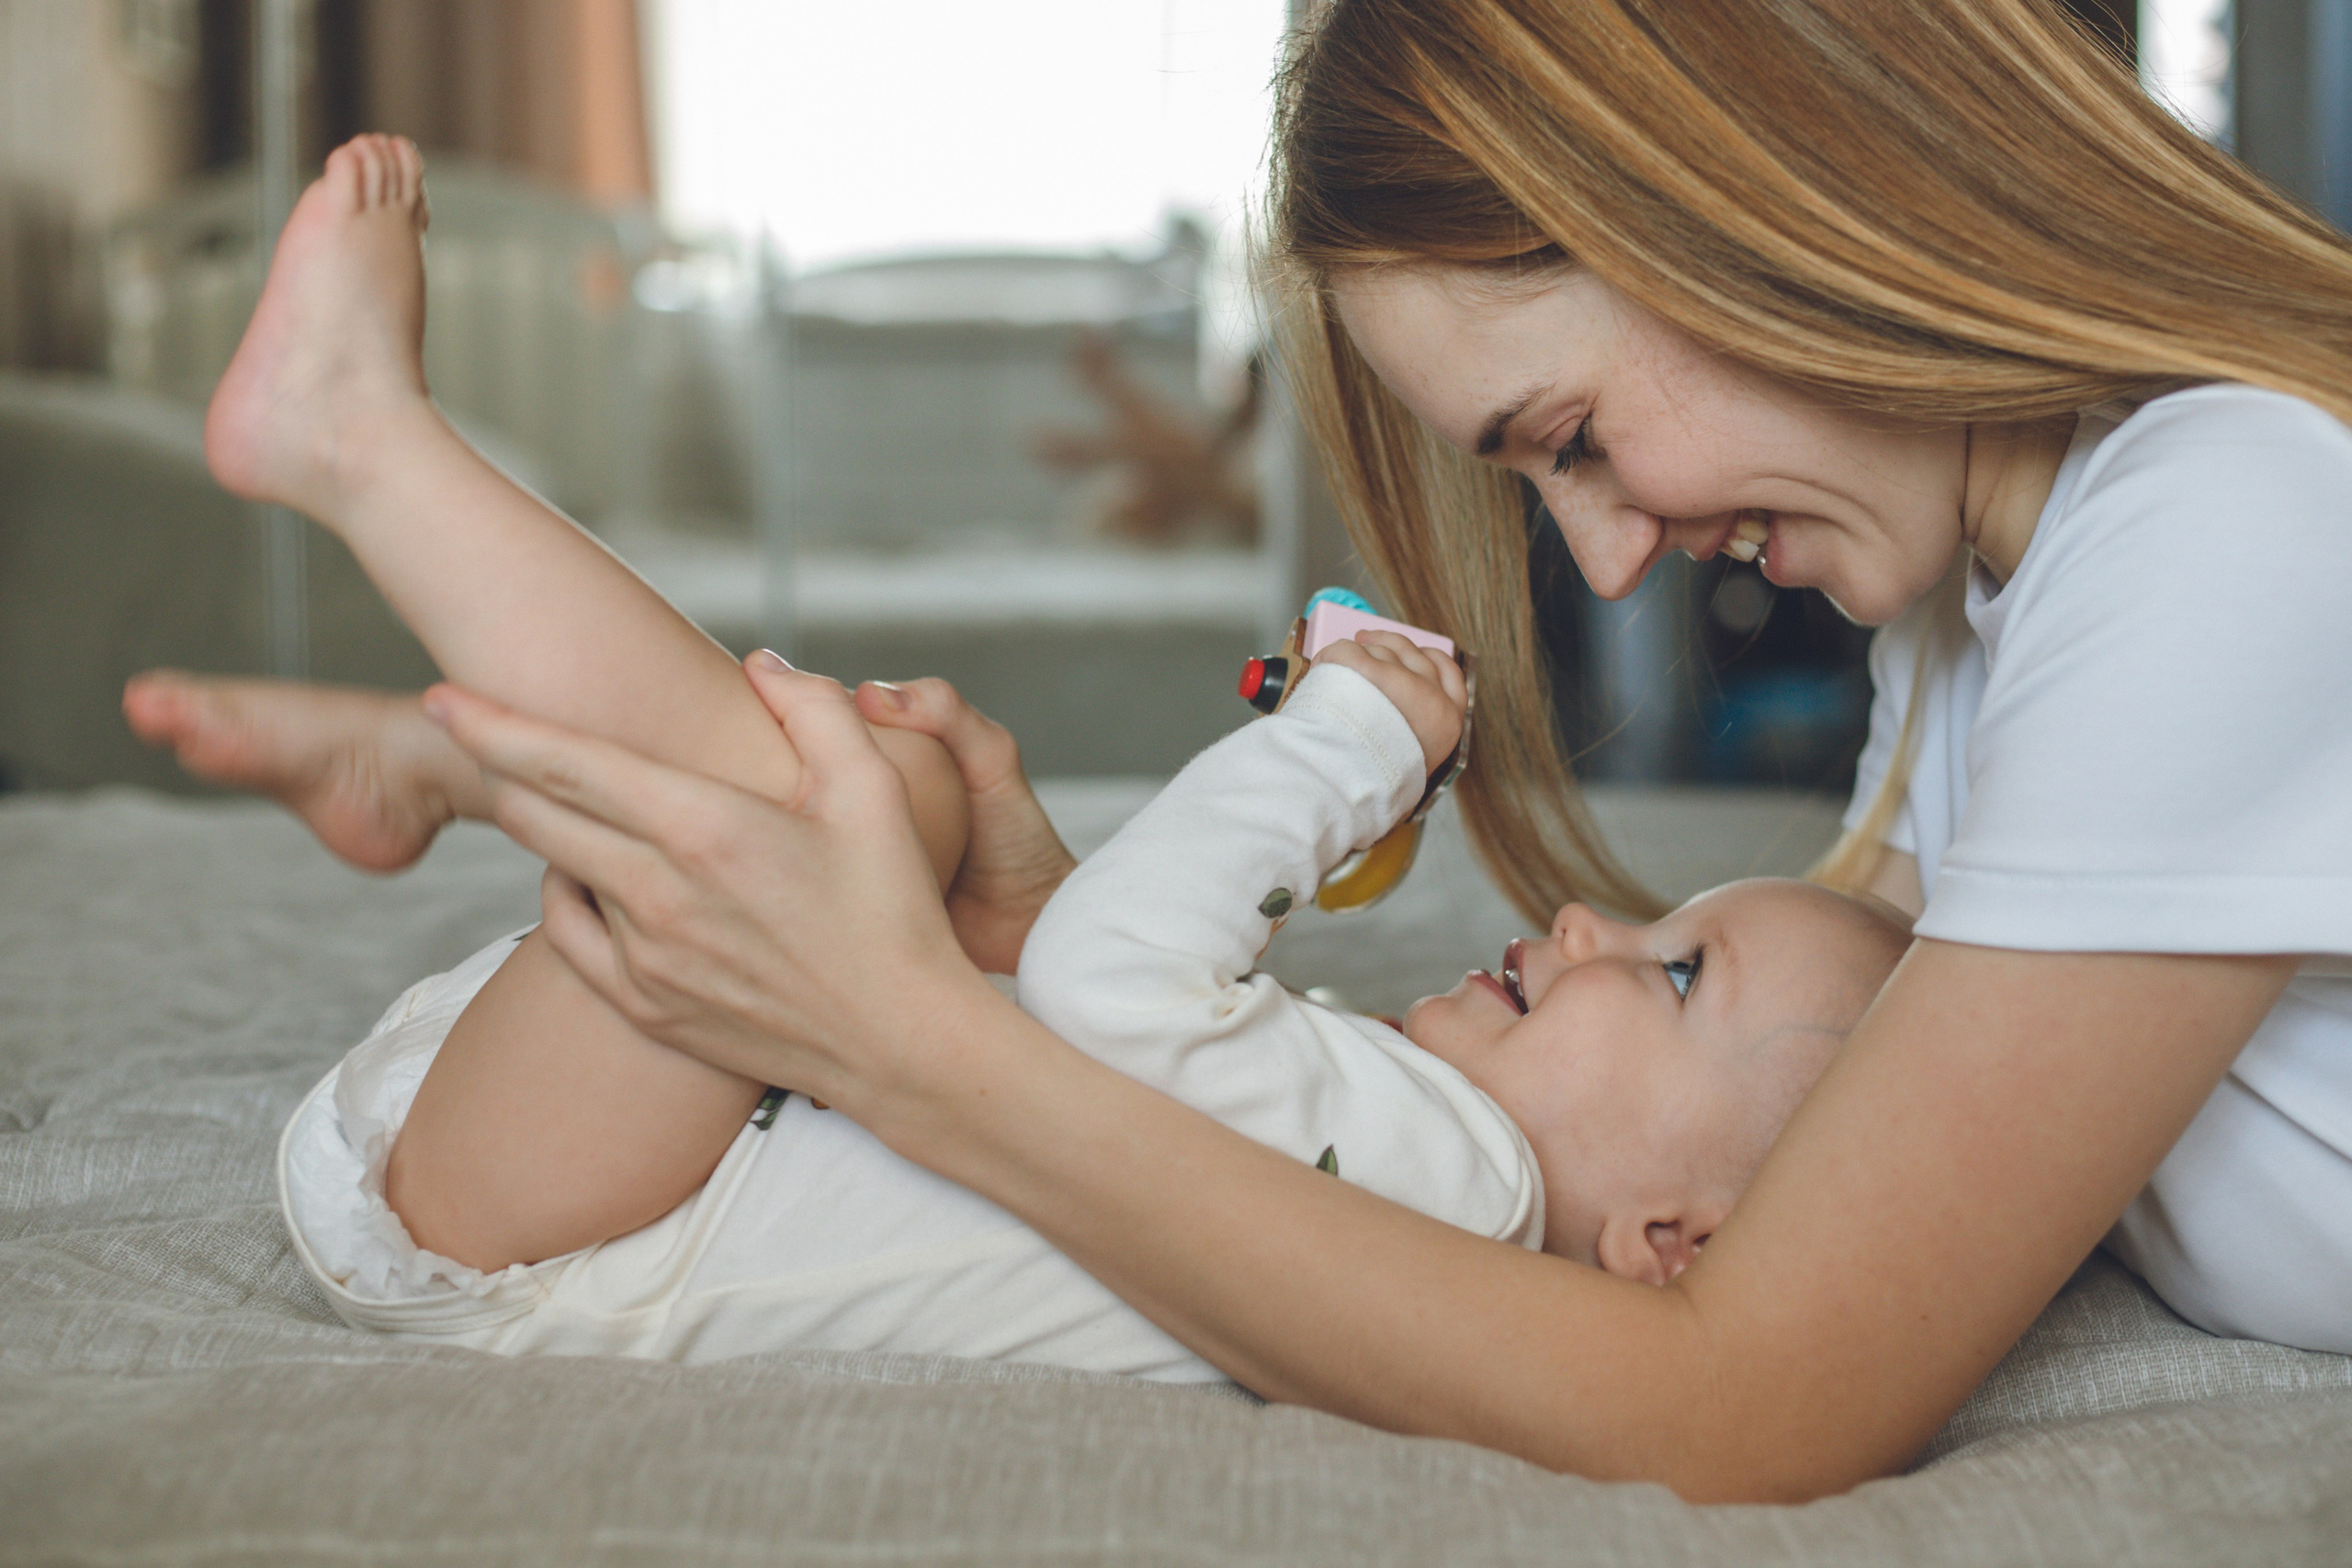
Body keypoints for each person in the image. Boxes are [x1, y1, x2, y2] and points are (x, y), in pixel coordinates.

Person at [136, 0, 2352, 1501]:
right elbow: (1834, 1064)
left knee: (837, 824)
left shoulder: (2227, 525)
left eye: (1568, 438)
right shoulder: (1979, 619)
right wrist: (1005, 950)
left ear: (1781, 204)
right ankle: (414, 602)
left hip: (539, 1209)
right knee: (851, 811)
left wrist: (916, 1039)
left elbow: (1750, 1387)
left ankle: (394, 540)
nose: (1597, 564)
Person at [219, 133, 1909, 1375]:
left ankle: (367, 451)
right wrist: (1016, 909)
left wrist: (1355, 737)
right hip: (607, 1149)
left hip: (581, 1226)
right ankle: (475, 758)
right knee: (901, 802)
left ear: (1667, 1246)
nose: (1607, 930)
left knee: (831, 799)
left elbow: (1116, 989)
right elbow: (1076, 1036)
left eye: (1682, 979)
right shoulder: (1385, 1152)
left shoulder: (1448, 1185)